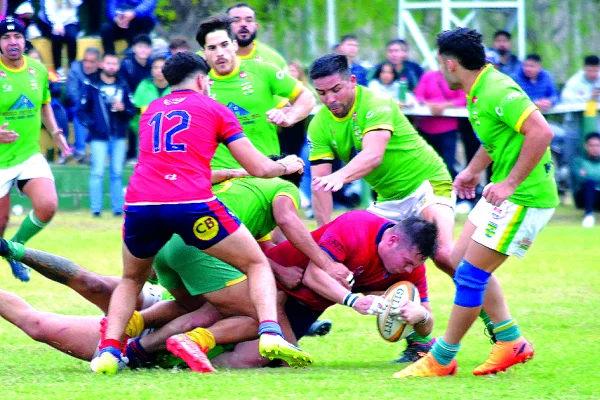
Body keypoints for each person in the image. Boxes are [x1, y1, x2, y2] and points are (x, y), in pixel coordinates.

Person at [91, 52, 311, 375]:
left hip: (141, 204)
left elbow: (168, 164)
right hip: (190, 205)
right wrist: (285, 165)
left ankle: (109, 353)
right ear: (201, 80)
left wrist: (227, 173)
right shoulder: (215, 109)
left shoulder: (151, 110)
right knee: (255, 263)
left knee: (130, 279)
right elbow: (259, 167)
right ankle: (269, 332)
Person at [394, 27, 558, 379]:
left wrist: (509, 182)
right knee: (457, 262)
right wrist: (471, 171)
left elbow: (542, 132)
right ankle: (511, 340)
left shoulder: (498, 89)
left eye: (440, 65)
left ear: (452, 65)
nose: (439, 71)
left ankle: (442, 357)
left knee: (470, 275)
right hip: (503, 193)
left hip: (525, 197)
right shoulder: (478, 89)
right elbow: (497, 137)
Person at [307, 53, 453, 361]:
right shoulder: (319, 124)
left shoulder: (376, 103)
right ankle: (419, 340)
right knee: (358, 271)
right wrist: (324, 253)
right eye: (321, 93)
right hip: (388, 201)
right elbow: (320, 187)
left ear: (352, 82)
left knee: (442, 254)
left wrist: (341, 176)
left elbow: (373, 155)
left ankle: (501, 328)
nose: (329, 99)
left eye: (335, 90)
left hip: (426, 183)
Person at [179, 211, 439, 369]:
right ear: (392, 240)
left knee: (254, 359)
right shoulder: (357, 226)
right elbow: (315, 276)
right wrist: (352, 301)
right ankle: (153, 347)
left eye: (413, 266)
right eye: (406, 262)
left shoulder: (412, 269)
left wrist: (421, 316)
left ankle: (183, 360)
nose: (407, 270)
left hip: (306, 308)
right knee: (201, 316)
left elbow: (427, 324)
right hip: (272, 285)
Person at [196, 15, 315, 172]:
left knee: (286, 196)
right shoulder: (198, 83)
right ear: (203, 53)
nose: (220, 53)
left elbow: (306, 97)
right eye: (212, 48)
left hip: (268, 170)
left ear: (235, 45)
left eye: (225, 45)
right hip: (223, 175)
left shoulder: (263, 71)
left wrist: (290, 117)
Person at [0, 17, 70, 282]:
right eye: (6, 38)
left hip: (29, 153)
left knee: (48, 205)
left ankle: (14, 250)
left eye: (17, 36)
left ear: (24, 39)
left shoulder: (38, 70)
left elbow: (44, 104)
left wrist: (55, 133)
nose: (12, 42)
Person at [78, 52, 136, 217]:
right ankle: (96, 209)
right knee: (97, 172)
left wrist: (123, 108)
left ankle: (118, 209)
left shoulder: (123, 85)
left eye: (115, 64)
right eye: (109, 63)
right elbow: (81, 111)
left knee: (117, 173)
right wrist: (93, 125)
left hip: (118, 135)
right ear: (102, 64)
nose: (112, 67)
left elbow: (132, 110)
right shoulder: (91, 84)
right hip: (98, 136)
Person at [413, 67, 467, 178]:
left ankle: (448, 193)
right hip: (426, 129)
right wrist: (429, 105)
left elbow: (463, 99)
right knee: (424, 167)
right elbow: (418, 96)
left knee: (447, 168)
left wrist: (445, 105)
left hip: (448, 130)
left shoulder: (458, 77)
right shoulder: (428, 76)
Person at [119, 33, 152, 162]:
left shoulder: (152, 65)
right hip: (130, 101)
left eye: (146, 47)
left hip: (147, 101)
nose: (143, 50)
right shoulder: (126, 65)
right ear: (134, 48)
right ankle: (131, 153)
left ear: (150, 50)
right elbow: (123, 85)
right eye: (140, 47)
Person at [225, 2, 286, 70]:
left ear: (256, 26)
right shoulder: (217, 58)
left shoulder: (274, 60)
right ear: (225, 27)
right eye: (236, 21)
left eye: (249, 20)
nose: (243, 24)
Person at [65, 46, 101, 161]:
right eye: (85, 60)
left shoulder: (103, 73)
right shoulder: (75, 70)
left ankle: (98, 153)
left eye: (92, 62)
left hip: (97, 108)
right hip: (77, 107)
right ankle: (80, 151)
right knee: (78, 113)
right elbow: (72, 93)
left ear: (99, 63)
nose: (87, 65)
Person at [130, 55, 170, 146]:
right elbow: (135, 112)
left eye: (163, 67)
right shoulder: (143, 86)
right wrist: (140, 131)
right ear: (151, 70)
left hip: (169, 137)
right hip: (146, 137)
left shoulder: (175, 88)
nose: (159, 70)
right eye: (156, 67)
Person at [36, 0, 82, 74]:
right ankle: (58, 68)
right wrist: (57, 25)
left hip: (70, 21)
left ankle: (72, 67)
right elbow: (48, 10)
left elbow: (77, 3)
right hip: (51, 21)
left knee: (71, 37)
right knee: (57, 37)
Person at [572, 132, 600, 227]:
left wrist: (588, 174)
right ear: (586, 146)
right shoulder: (578, 161)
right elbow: (579, 178)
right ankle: (588, 215)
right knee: (590, 183)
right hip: (583, 196)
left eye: (597, 145)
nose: (594, 148)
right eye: (592, 145)